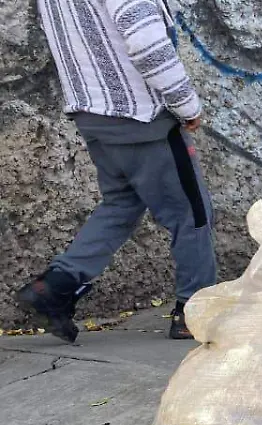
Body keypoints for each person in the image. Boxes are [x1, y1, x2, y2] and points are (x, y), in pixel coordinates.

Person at [18, 0, 217, 343]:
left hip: (92, 112)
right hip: (139, 115)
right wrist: (186, 103)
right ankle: (194, 311)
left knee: (121, 203)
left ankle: (54, 287)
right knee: (192, 213)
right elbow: (144, 38)